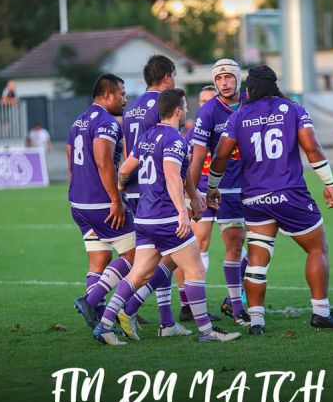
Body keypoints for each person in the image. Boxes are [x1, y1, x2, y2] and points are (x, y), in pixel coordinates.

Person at [207, 65, 333, 334]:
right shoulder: (294, 109)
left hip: (254, 198)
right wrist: (329, 183)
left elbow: (220, 156)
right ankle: (321, 312)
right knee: (317, 248)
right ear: (274, 86)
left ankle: (256, 321)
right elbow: (312, 147)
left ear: (249, 88)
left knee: (257, 259)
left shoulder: (238, 116)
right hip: (289, 193)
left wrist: (212, 188)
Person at [93, 88, 241, 345]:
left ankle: (104, 325)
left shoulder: (147, 136)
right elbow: (172, 177)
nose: (187, 112)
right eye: (185, 108)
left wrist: (122, 188)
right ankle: (207, 332)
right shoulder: (175, 140)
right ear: (178, 111)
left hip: (144, 218)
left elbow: (125, 169)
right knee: (195, 269)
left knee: (138, 274)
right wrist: (182, 213)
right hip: (165, 218)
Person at [119, 55, 203, 328]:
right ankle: (162, 319)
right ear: (167, 77)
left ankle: (124, 313)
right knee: (169, 254)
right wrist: (191, 198)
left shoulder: (131, 106)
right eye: (174, 75)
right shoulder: (163, 106)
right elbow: (172, 163)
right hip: (157, 193)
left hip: (136, 188)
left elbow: (129, 154)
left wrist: (122, 185)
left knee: (158, 257)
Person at [66, 73, 137, 343]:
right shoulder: (106, 122)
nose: (124, 99)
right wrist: (116, 200)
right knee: (135, 255)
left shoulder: (77, 121)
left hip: (79, 203)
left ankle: (98, 320)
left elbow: (71, 162)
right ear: (108, 95)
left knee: (99, 260)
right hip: (102, 203)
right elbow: (103, 161)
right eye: (122, 94)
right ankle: (90, 300)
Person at [190, 59, 250, 327]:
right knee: (230, 245)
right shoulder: (207, 113)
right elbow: (197, 157)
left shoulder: (252, 102)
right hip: (222, 189)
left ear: (238, 79)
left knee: (260, 247)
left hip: (254, 185)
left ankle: (236, 301)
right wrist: (192, 195)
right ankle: (237, 308)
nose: (224, 83)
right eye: (219, 78)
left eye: (228, 77)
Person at [175, 85, 222, 322]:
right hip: (201, 193)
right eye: (202, 101)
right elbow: (183, 167)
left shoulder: (229, 126)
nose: (205, 105)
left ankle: (238, 300)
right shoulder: (192, 134)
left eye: (210, 101)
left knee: (239, 246)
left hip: (228, 192)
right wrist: (189, 196)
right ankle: (189, 305)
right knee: (197, 246)